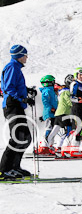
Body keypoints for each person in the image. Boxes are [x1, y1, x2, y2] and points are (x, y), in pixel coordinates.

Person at [0, 45, 34, 179]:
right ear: (20, 56)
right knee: (18, 137)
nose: (26, 57)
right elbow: (8, 88)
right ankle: (3, 170)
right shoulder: (12, 67)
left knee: (25, 138)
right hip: (12, 105)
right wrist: (23, 98)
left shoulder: (16, 68)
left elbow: (16, 85)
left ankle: (14, 166)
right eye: (25, 55)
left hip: (17, 105)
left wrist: (27, 90)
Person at [47, 75, 74, 150]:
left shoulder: (61, 91)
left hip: (58, 113)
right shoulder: (66, 91)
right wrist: (77, 105)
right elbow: (69, 101)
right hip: (64, 113)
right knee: (68, 131)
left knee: (54, 132)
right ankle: (61, 147)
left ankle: (48, 146)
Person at [37, 75, 58, 154]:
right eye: (53, 81)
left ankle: (49, 145)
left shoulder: (51, 90)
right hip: (50, 112)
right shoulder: (47, 90)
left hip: (54, 112)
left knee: (53, 129)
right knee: (49, 128)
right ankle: (44, 146)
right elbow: (45, 101)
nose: (54, 83)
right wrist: (50, 108)